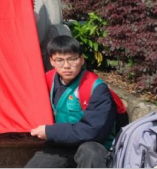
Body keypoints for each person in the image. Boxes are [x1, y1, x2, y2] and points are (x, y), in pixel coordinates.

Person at [24, 36, 115, 169]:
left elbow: (93, 131)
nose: (66, 66)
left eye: (72, 59)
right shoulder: (46, 80)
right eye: (60, 60)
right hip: (61, 143)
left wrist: (50, 131)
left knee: (91, 153)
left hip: (92, 144)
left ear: (81, 60)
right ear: (52, 61)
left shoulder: (96, 88)